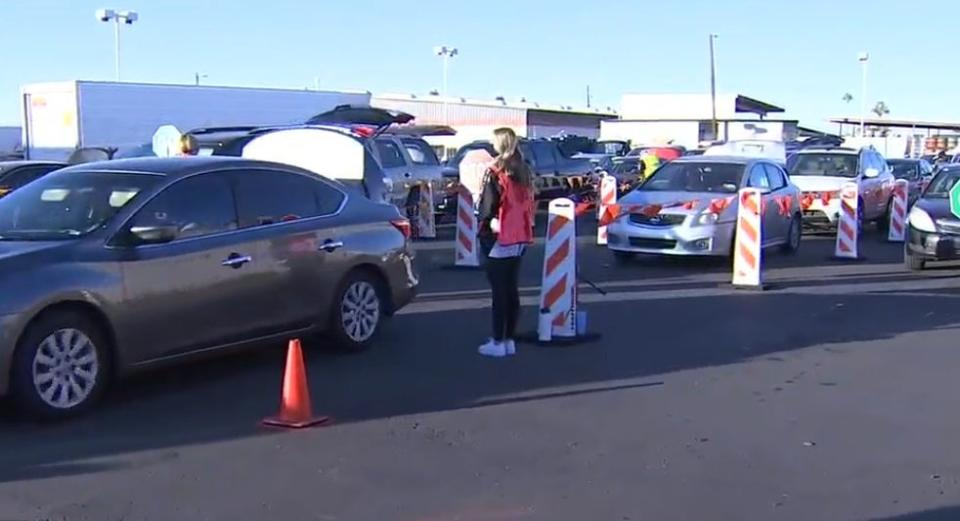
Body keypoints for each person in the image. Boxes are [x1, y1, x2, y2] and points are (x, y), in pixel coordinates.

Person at [476, 128, 535, 357]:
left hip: (498, 234)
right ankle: (509, 338)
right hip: (519, 234)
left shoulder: (496, 171)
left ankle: (498, 341)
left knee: (498, 291)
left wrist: (485, 221)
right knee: (511, 289)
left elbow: (488, 206)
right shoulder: (524, 170)